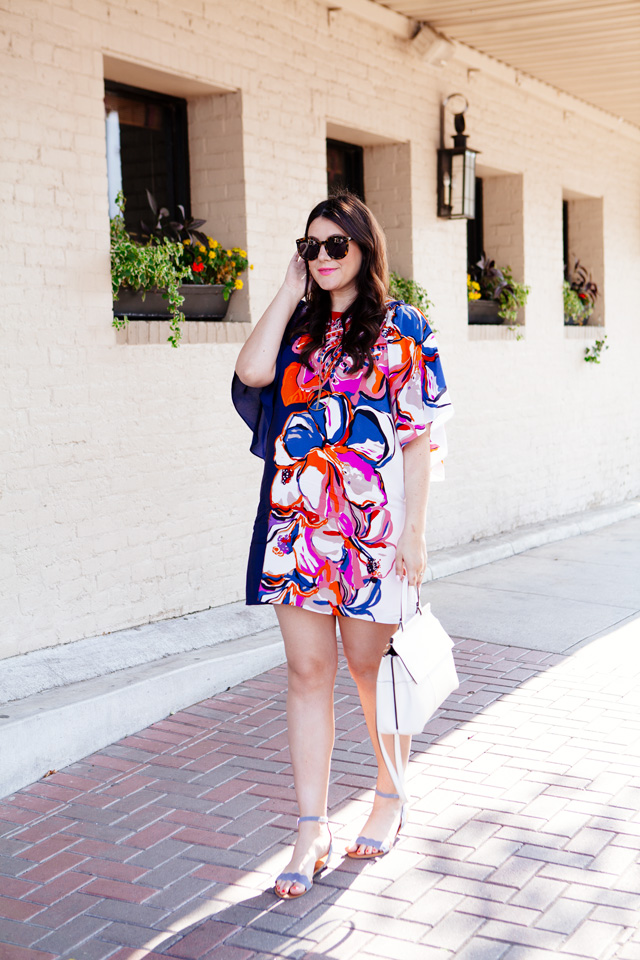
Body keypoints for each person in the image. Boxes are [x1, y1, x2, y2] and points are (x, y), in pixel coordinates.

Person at [232, 194, 452, 899]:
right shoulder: (296, 328)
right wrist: (286, 288)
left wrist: (416, 533)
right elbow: (254, 373)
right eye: (312, 247)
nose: (322, 259)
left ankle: (390, 793)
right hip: (296, 527)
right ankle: (311, 826)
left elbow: (419, 440)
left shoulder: (402, 327)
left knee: (368, 666)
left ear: (365, 248)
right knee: (305, 671)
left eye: (335, 246)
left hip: (370, 529)